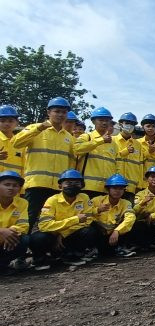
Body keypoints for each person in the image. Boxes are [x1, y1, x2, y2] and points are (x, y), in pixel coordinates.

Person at [14, 97, 76, 229]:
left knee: (53, 220)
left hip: (57, 187)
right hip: (36, 184)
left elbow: (71, 161)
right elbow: (16, 143)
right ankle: (22, 241)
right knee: (29, 218)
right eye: (57, 111)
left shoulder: (69, 137)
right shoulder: (34, 128)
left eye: (64, 112)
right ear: (48, 112)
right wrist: (39, 128)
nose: (60, 115)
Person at [29, 169, 100, 270]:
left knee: (89, 231)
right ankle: (40, 260)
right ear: (60, 186)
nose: (73, 186)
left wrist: (63, 234)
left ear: (82, 186)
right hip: (52, 237)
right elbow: (44, 225)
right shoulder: (52, 200)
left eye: (77, 183)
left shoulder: (84, 198)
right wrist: (75, 220)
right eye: (69, 183)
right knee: (37, 238)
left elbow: (87, 220)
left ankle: (72, 255)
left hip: (69, 236)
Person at [74, 107, 117, 199]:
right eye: (101, 120)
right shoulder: (86, 137)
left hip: (106, 189)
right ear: (93, 121)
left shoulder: (113, 143)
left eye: (107, 120)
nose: (104, 123)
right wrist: (100, 140)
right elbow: (77, 149)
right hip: (88, 187)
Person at [91, 174, 137, 258]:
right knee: (88, 230)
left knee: (133, 224)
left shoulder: (126, 203)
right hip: (99, 234)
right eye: (115, 188)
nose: (118, 191)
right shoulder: (96, 200)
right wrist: (97, 210)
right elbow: (85, 214)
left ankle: (120, 248)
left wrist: (117, 231)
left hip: (114, 235)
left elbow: (130, 218)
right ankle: (91, 249)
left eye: (121, 188)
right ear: (108, 189)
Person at [0, 171, 30, 273]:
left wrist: (10, 232)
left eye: (15, 185)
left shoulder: (22, 203)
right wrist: (2, 231)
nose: (11, 188)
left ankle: (2, 265)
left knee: (23, 239)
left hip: (6, 239)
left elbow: (23, 225)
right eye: (7, 184)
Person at [114, 112, 144, 200]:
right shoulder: (112, 141)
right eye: (127, 123)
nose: (130, 126)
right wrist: (125, 151)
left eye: (132, 124)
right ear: (120, 124)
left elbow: (140, 165)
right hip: (114, 185)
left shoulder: (138, 144)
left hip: (131, 187)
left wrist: (139, 185)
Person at [138, 114, 155, 190]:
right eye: (148, 126)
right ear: (143, 127)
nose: (151, 128)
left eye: (153, 126)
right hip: (143, 181)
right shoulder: (138, 142)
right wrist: (149, 152)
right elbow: (137, 160)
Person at [0, 105, 24, 175]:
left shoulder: (21, 143)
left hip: (14, 181)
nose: (7, 124)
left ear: (17, 122)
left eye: (10, 121)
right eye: (2, 121)